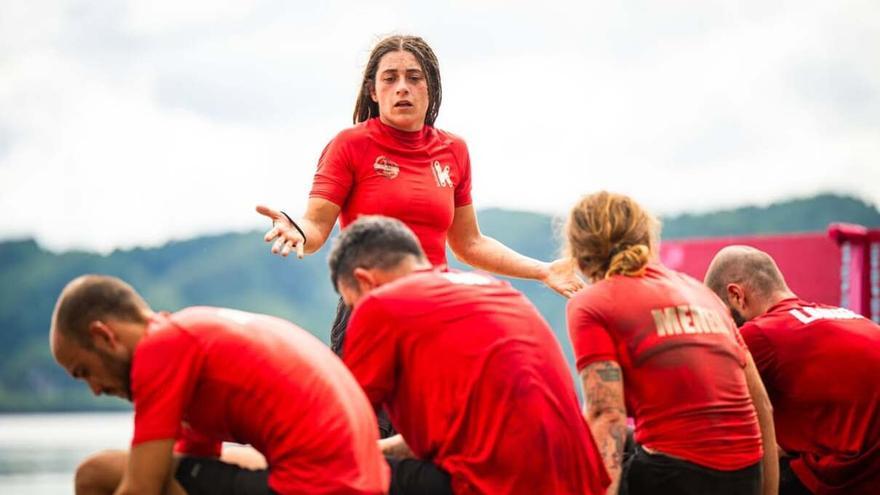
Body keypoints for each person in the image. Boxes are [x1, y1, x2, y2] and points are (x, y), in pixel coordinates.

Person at [255, 34, 583, 357]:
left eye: (414, 78)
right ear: (373, 90)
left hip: (435, 311)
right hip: (369, 311)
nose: (402, 87)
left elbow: (469, 244)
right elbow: (315, 226)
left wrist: (543, 270)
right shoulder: (350, 145)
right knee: (368, 413)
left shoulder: (454, 150)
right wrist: (297, 231)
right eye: (390, 78)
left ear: (431, 88)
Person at [326, 215, 610, 495]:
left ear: (364, 281)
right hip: (576, 481)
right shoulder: (496, 290)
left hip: (496, 484)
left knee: (326, 468)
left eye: (353, 303)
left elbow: (348, 425)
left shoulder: (380, 304)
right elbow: (456, 439)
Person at [50, 275, 389, 495]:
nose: (94, 389)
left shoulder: (160, 349)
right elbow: (196, 459)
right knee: (211, 463)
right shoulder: (191, 334)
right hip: (363, 480)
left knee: (96, 473)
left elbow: (143, 487)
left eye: (84, 372)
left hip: (323, 485)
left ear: (103, 336)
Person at [563, 191, 778, 495]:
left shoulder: (592, 302)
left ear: (580, 252)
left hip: (676, 476)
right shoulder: (701, 293)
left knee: (591, 441)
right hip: (745, 476)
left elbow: (606, 414)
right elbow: (762, 406)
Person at [705, 245, 880, 495]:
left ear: (737, 296)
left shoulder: (759, 333)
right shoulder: (846, 317)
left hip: (854, 475)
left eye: (724, 317)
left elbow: (697, 403)